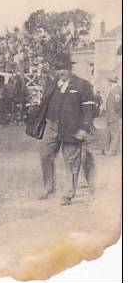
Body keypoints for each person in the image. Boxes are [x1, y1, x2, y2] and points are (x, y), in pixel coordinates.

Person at [38, 52, 96, 205]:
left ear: (70, 69)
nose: (61, 72)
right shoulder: (52, 85)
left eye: (64, 69)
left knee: (71, 161)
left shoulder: (82, 85)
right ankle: (49, 186)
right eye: (57, 69)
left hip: (72, 128)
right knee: (45, 154)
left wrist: (84, 128)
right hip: (52, 125)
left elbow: (89, 110)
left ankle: (68, 194)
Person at [103, 76, 122, 156]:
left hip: (113, 116)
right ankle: (109, 150)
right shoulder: (113, 89)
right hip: (110, 115)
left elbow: (117, 104)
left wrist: (117, 115)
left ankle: (113, 151)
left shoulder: (117, 90)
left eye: (109, 81)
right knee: (109, 133)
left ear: (111, 82)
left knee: (115, 134)